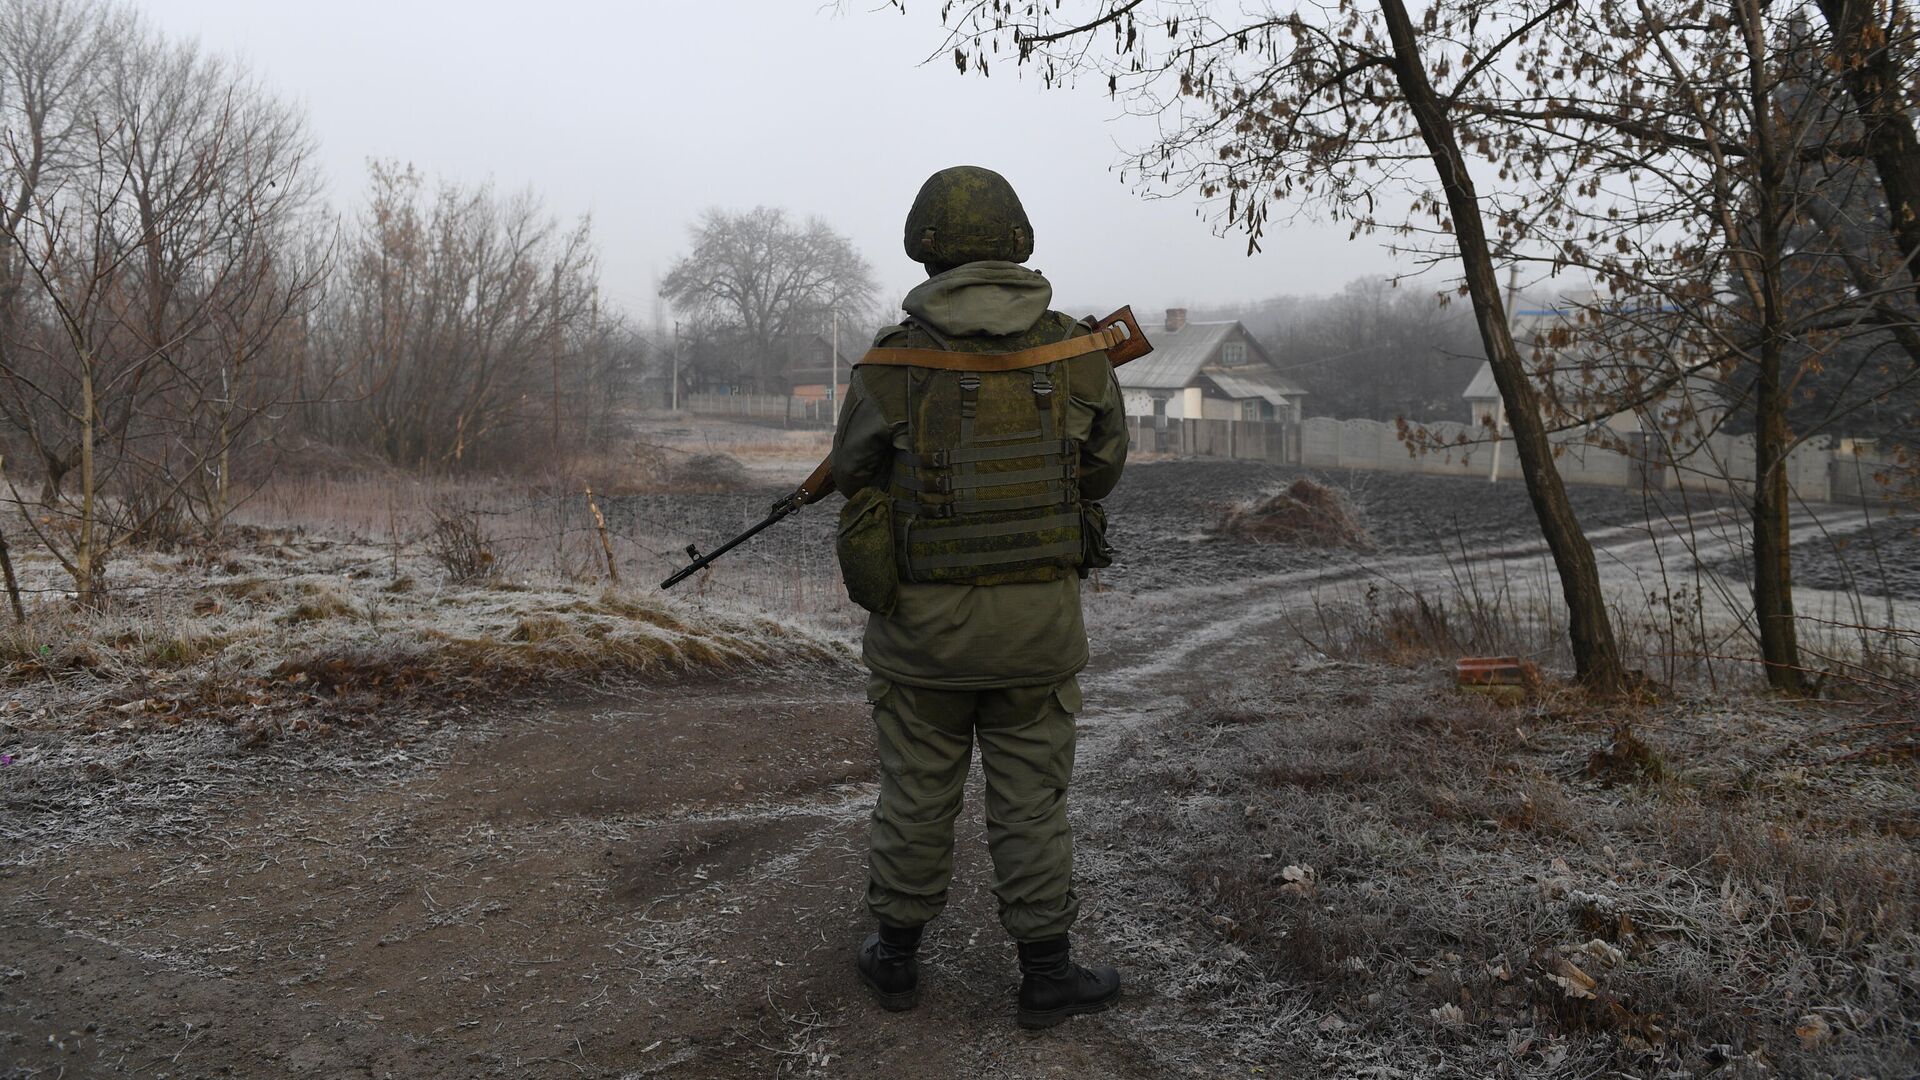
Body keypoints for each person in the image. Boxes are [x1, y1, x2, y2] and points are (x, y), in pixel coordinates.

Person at [829, 165, 1129, 1030]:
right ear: (1017, 242)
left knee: (916, 793)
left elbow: (852, 473)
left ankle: (894, 963)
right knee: (1033, 799)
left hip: (920, 636)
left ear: (926, 246)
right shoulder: (1079, 354)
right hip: (1038, 634)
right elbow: (1102, 474)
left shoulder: (892, 361)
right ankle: (1046, 974)